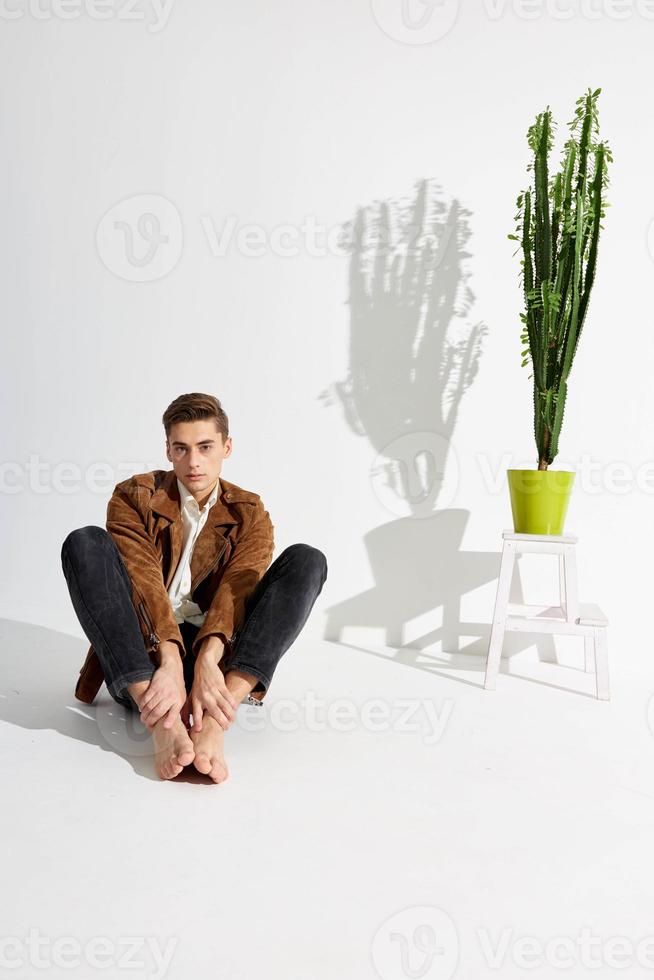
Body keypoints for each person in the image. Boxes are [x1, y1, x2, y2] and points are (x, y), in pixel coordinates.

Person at [60, 392, 328, 782]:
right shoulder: (133, 496)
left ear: (227, 447)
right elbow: (143, 581)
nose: (194, 461)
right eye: (181, 448)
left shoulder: (249, 512)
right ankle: (163, 724)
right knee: (84, 541)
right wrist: (168, 660)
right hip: (144, 661)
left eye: (205, 447)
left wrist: (207, 661)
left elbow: (240, 587)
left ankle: (215, 722)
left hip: (218, 671)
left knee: (307, 559)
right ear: (168, 450)